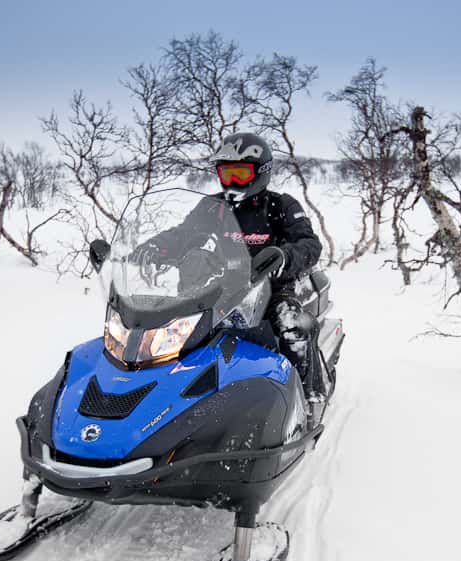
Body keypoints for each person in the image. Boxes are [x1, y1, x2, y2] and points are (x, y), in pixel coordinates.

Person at [132, 131, 325, 398]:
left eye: (241, 174)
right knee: (173, 333)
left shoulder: (281, 205)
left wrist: (284, 256)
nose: (232, 182)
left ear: (262, 172)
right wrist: (153, 247)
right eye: (226, 174)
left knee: (294, 327)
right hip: (218, 289)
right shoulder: (213, 207)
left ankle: (308, 396)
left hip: (272, 290)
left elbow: (309, 244)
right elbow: (183, 234)